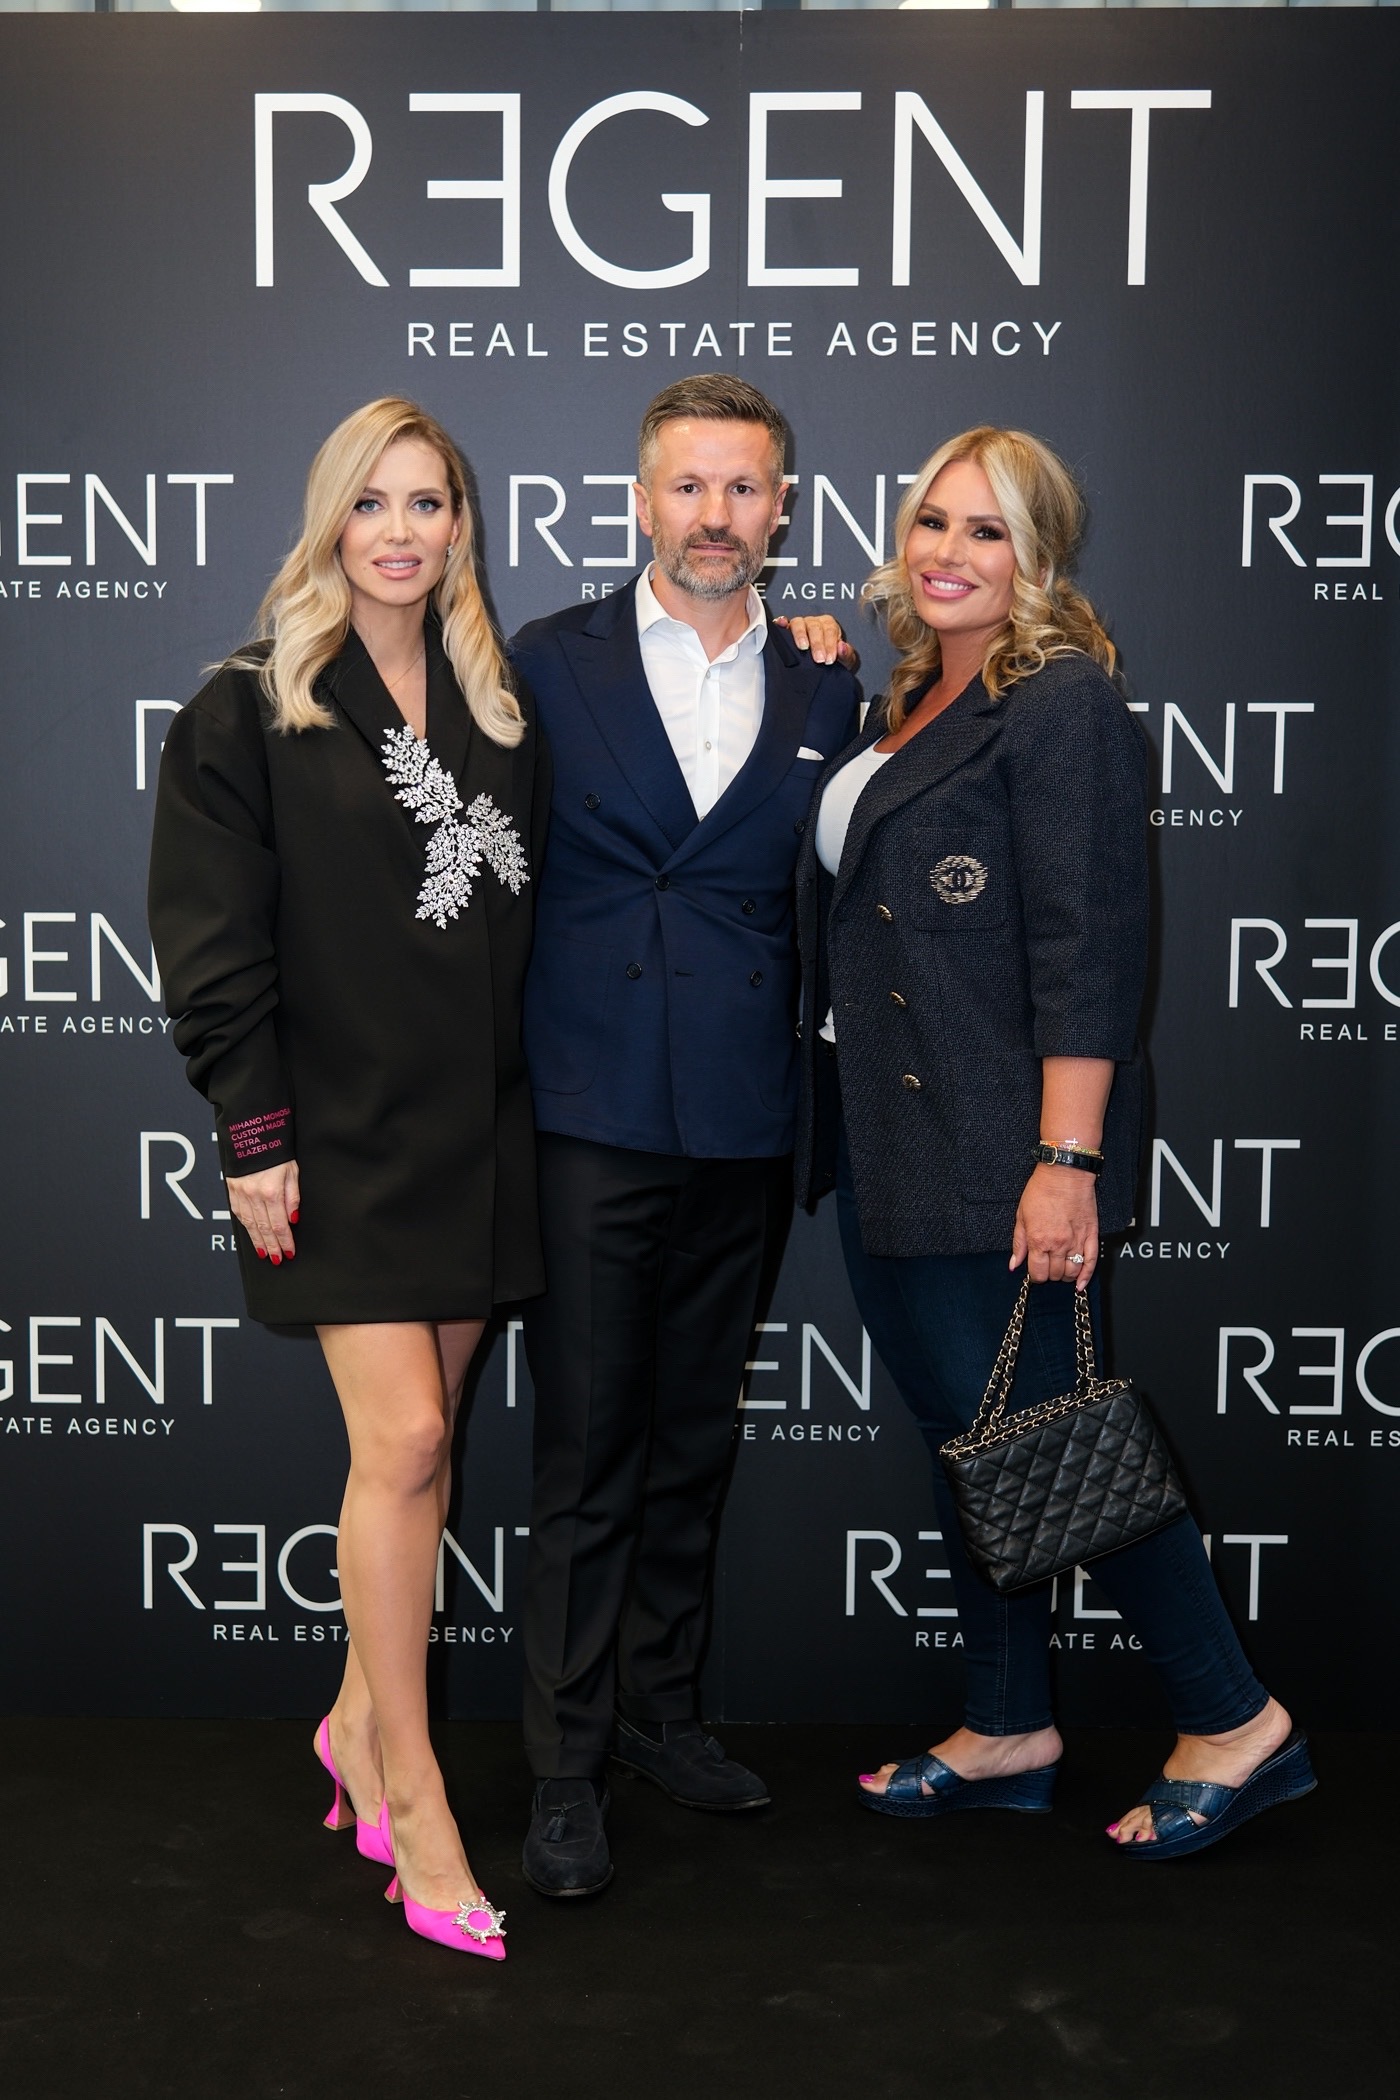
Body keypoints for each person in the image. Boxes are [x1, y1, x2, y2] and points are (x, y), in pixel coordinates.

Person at [794, 426, 1315, 1859]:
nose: (948, 553)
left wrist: (1066, 1162)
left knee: (1056, 1445)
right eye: (933, 522)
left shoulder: (1060, 699)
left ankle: (1235, 1719)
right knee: (982, 1449)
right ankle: (1008, 1723)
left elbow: (1089, 948)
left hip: (1001, 1146)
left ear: (1039, 557)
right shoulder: (907, 699)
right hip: (887, 1139)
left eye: (989, 531)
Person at [148, 397, 548, 1955]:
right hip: (334, 1141)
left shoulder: (496, 700)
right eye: (371, 501)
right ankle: (419, 1801)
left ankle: (352, 1725)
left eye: (427, 501)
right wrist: (252, 1135)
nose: (400, 530)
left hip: (481, 1136)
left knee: (429, 1465)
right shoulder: (250, 706)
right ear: (330, 519)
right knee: (410, 1442)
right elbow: (209, 939)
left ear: (462, 524)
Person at [509, 374, 859, 1897]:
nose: (717, 516)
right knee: (589, 1448)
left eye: (745, 488)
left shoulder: (829, 682)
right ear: (643, 499)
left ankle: (660, 1712)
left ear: (782, 508)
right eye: (691, 486)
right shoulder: (544, 660)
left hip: (743, 1115)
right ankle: (564, 1767)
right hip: (587, 1114)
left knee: (694, 1438)